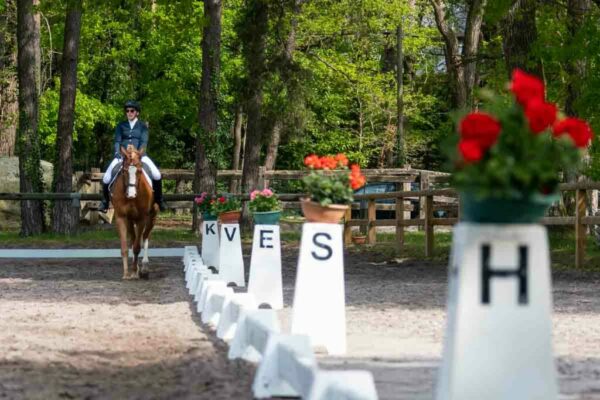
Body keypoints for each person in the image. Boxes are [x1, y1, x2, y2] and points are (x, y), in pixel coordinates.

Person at [99, 100, 167, 212]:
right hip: (122, 156)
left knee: (157, 174)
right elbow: (117, 141)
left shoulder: (142, 126)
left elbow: (144, 142)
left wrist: (138, 154)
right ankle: (105, 202)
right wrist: (117, 153)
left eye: (132, 111)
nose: (129, 113)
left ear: (137, 113)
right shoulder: (121, 125)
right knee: (106, 177)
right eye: (127, 111)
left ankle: (159, 200)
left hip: (140, 156)